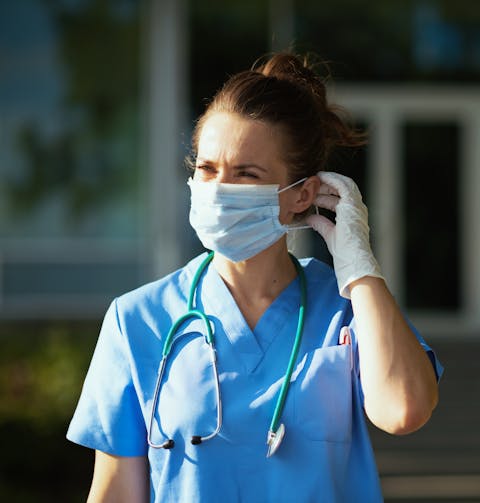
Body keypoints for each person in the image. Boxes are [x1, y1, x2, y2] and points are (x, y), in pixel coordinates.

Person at [67, 52, 442, 503]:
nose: (218, 190)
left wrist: (359, 266)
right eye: (206, 170)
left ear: (301, 195)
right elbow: (114, 494)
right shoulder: (137, 320)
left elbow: (403, 409)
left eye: (246, 175)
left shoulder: (348, 310)